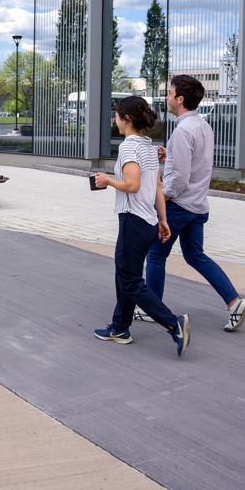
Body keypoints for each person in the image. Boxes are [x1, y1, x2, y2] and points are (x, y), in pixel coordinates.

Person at [134, 74, 245, 332]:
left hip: (178, 207)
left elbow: (178, 180)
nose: (167, 97)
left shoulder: (182, 131)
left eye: (170, 93)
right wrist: (171, 156)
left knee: (156, 254)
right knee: (195, 255)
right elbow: (196, 162)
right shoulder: (203, 126)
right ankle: (234, 302)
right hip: (198, 205)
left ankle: (153, 309)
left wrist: (159, 198)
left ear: (180, 99)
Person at [93, 96, 190, 357]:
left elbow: (132, 185)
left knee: (130, 279)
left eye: (116, 115)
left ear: (126, 119)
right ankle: (120, 328)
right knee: (125, 275)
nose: (114, 120)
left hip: (133, 221)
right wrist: (162, 220)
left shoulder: (128, 147)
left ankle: (174, 324)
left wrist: (107, 181)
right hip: (148, 221)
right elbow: (156, 186)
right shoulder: (148, 146)